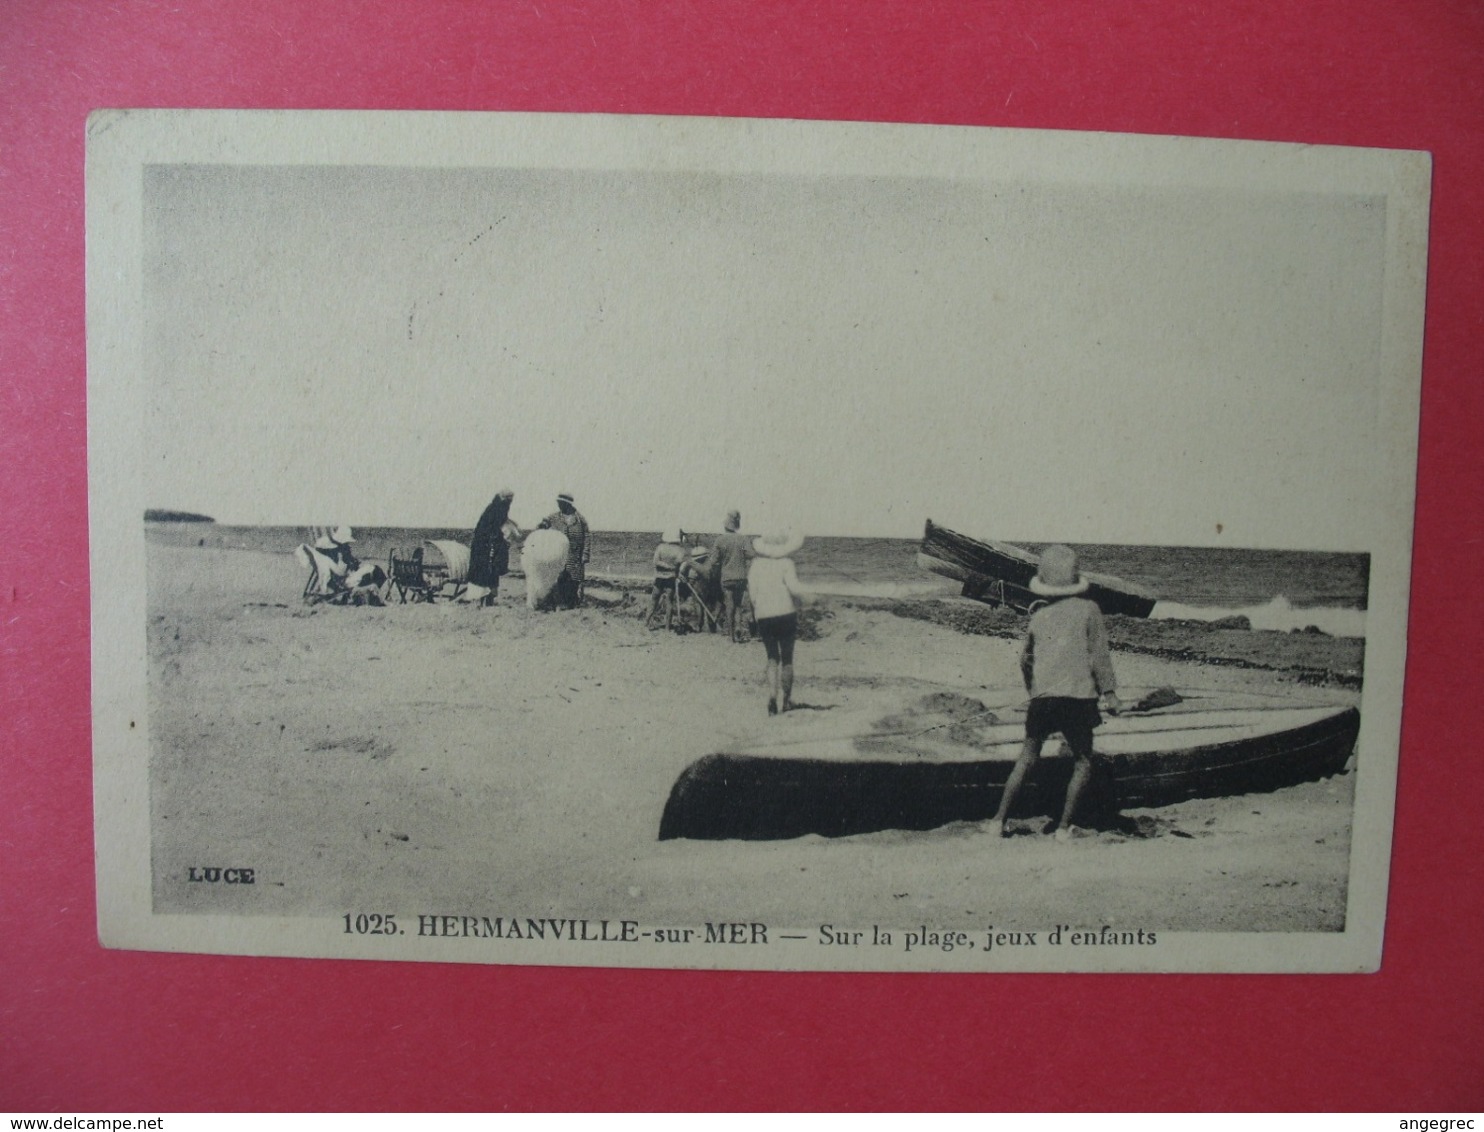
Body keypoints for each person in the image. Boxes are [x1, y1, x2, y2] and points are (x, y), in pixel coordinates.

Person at [986, 545, 1122, 842]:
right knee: (1084, 760)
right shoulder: (1089, 610)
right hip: (1078, 698)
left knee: (1027, 758)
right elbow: (1099, 656)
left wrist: (1033, 691)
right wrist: (1110, 693)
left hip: (1043, 699)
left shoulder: (1039, 616)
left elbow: (1025, 661)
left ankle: (997, 821)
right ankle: (1063, 828)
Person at [747, 529, 807, 715]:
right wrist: (807, 598)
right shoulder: (787, 563)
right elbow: (795, 589)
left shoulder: (755, 564)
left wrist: (755, 613)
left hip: (764, 614)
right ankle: (786, 701)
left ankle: (772, 696)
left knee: (772, 658)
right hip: (786, 613)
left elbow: (752, 594)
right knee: (787, 659)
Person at [465, 489, 518, 606]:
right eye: (510, 500)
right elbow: (492, 528)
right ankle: (485, 600)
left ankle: (486, 600)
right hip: (486, 546)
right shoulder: (497, 509)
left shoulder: (494, 508)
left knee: (488, 571)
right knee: (487, 571)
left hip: (485, 546)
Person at [538, 492, 589, 610]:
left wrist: (585, 554)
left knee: (574, 580)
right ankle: (557, 603)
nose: (559, 505)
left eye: (561, 503)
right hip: (558, 554)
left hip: (575, 555)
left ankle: (572, 603)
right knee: (557, 579)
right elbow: (541, 528)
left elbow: (587, 537)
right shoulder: (553, 518)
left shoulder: (580, 519)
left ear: (567, 504)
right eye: (558, 503)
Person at [710, 510, 755, 642]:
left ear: (725, 526)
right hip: (741, 577)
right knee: (738, 605)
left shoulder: (720, 540)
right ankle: (738, 628)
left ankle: (731, 635)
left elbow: (714, 561)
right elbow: (751, 555)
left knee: (729, 605)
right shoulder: (743, 539)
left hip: (727, 577)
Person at [648, 527, 688, 631]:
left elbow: (656, 562)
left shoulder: (660, 547)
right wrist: (674, 569)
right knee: (669, 601)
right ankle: (667, 627)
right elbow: (682, 565)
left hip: (660, 577)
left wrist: (665, 566)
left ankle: (647, 622)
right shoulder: (680, 550)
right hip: (671, 578)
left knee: (654, 600)